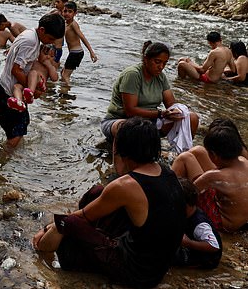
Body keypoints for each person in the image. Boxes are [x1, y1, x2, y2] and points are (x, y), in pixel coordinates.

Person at [33, 117, 186, 289]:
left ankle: (41, 251)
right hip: (156, 266)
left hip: (137, 274)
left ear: (121, 148)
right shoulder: (167, 173)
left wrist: (50, 226)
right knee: (97, 193)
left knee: (66, 223)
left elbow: (82, 217)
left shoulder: (126, 186)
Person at [101, 41, 199, 141]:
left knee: (191, 117)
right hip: (121, 121)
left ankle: (180, 154)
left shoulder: (160, 77)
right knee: (133, 128)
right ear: (146, 59)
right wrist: (160, 114)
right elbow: (130, 111)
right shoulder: (132, 74)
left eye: (164, 63)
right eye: (157, 62)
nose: (161, 67)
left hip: (150, 122)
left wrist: (176, 112)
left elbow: (171, 104)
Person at [0, 13, 65, 148]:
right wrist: (33, 89)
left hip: (8, 90)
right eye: (50, 38)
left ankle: (8, 161)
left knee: (21, 125)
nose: (51, 42)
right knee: (15, 136)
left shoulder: (31, 35)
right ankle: (3, 162)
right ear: (42, 30)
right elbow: (16, 70)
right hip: (6, 92)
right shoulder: (31, 41)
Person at [172, 123, 248, 232]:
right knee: (198, 150)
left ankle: (165, 191)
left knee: (185, 158)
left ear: (214, 155)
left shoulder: (213, 177)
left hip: (222, 223)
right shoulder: (244, 160)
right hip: (239, 220)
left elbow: (188, 194)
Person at [173, 178, 222, 269]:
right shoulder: (190, 212)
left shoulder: (200, 224)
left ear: (185, 205)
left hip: (206, 259)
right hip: (194, 247)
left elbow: (214, 246)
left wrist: (188, 243)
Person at [61, 1, 98, 85]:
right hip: (73, 53)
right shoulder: (66, 23)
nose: (67, 13)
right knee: (62, 73)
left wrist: (91, 52)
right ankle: (64, 90)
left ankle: (66, 93)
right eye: (65, 11)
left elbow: (82, 37)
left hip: (76, 53)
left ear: (75, 13)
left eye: (70, 11)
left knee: (65, 76)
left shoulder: (73, 24)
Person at [50, 0, 68, 68]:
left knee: (54, 62)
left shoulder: (66, 15)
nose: (56, 4)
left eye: (58, 2)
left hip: (58, 44)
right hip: (52, 42)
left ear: (65, 3)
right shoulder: (54, 12)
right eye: (55, 2)